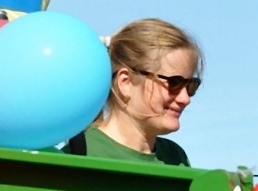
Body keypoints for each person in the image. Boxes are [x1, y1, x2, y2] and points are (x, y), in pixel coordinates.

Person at [66, 18, 200, 164]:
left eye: (191, 85)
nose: (185, 98)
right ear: (126, 82)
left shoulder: (176, 157)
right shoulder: (80, 155)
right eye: (174, 83)